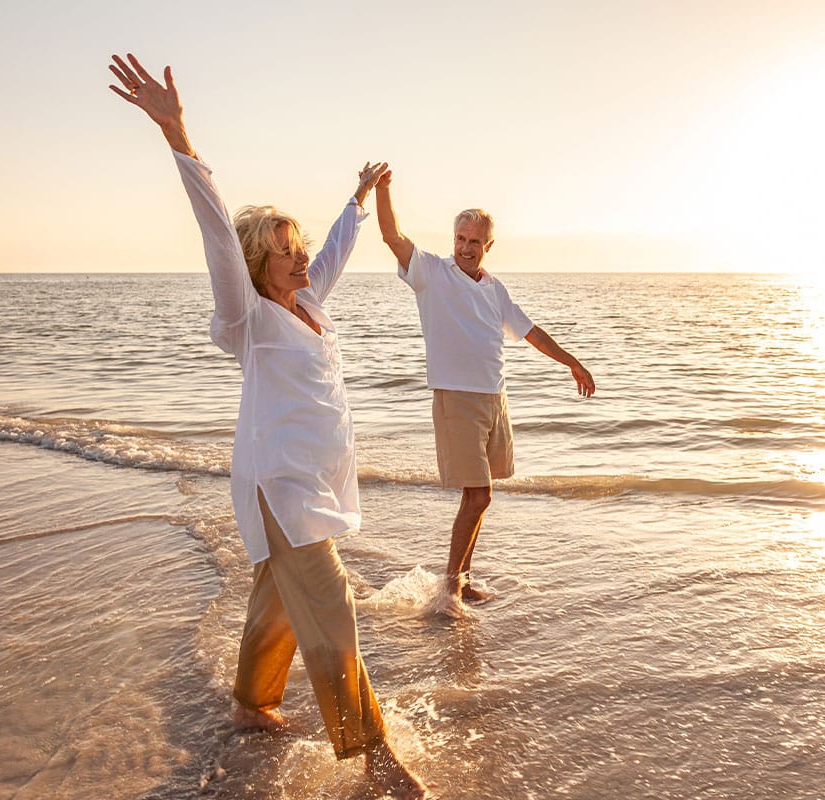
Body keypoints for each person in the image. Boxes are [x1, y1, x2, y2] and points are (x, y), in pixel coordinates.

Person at [107, 54, 425, 799]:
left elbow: (339, 251)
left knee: (278, 605)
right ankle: (372, 754)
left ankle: (252, 703)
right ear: (255, 265)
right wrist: (178, 135)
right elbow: (219, 235)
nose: (300, 257)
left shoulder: (308, 306)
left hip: (309, 480)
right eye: (283, 252)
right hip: (279, 485)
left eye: (299, 245)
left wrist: (356, 200)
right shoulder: (245, 319)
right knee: (330, 601)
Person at [374, 168, 596, 607]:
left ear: (488, 246)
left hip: (495, 398)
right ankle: (452, 590)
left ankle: (460, 580)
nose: (465, 248)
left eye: (474, 241)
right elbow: (391, 235)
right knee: (478, 494)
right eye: (460, 238)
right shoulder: (432, 274)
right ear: (452, 238)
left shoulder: (494, 289)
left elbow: (531, 332)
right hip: (456, 397)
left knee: (482, 496)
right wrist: (383, 189)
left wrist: (572, 362)